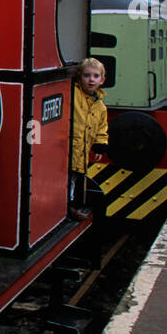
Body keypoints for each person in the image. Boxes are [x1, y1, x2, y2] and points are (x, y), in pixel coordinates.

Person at [69, 57, 109, 220]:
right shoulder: (74, 94)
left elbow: (101, 127)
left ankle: (72, 207)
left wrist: (100, 145)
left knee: (76, 178)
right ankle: (68, 209)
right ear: (80, 78)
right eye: (86, 75)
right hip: (70, 149)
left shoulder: (100, 106)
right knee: (68, 180)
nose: (91, 80)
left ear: (102, 80)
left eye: (95, 76)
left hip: (82, 151)